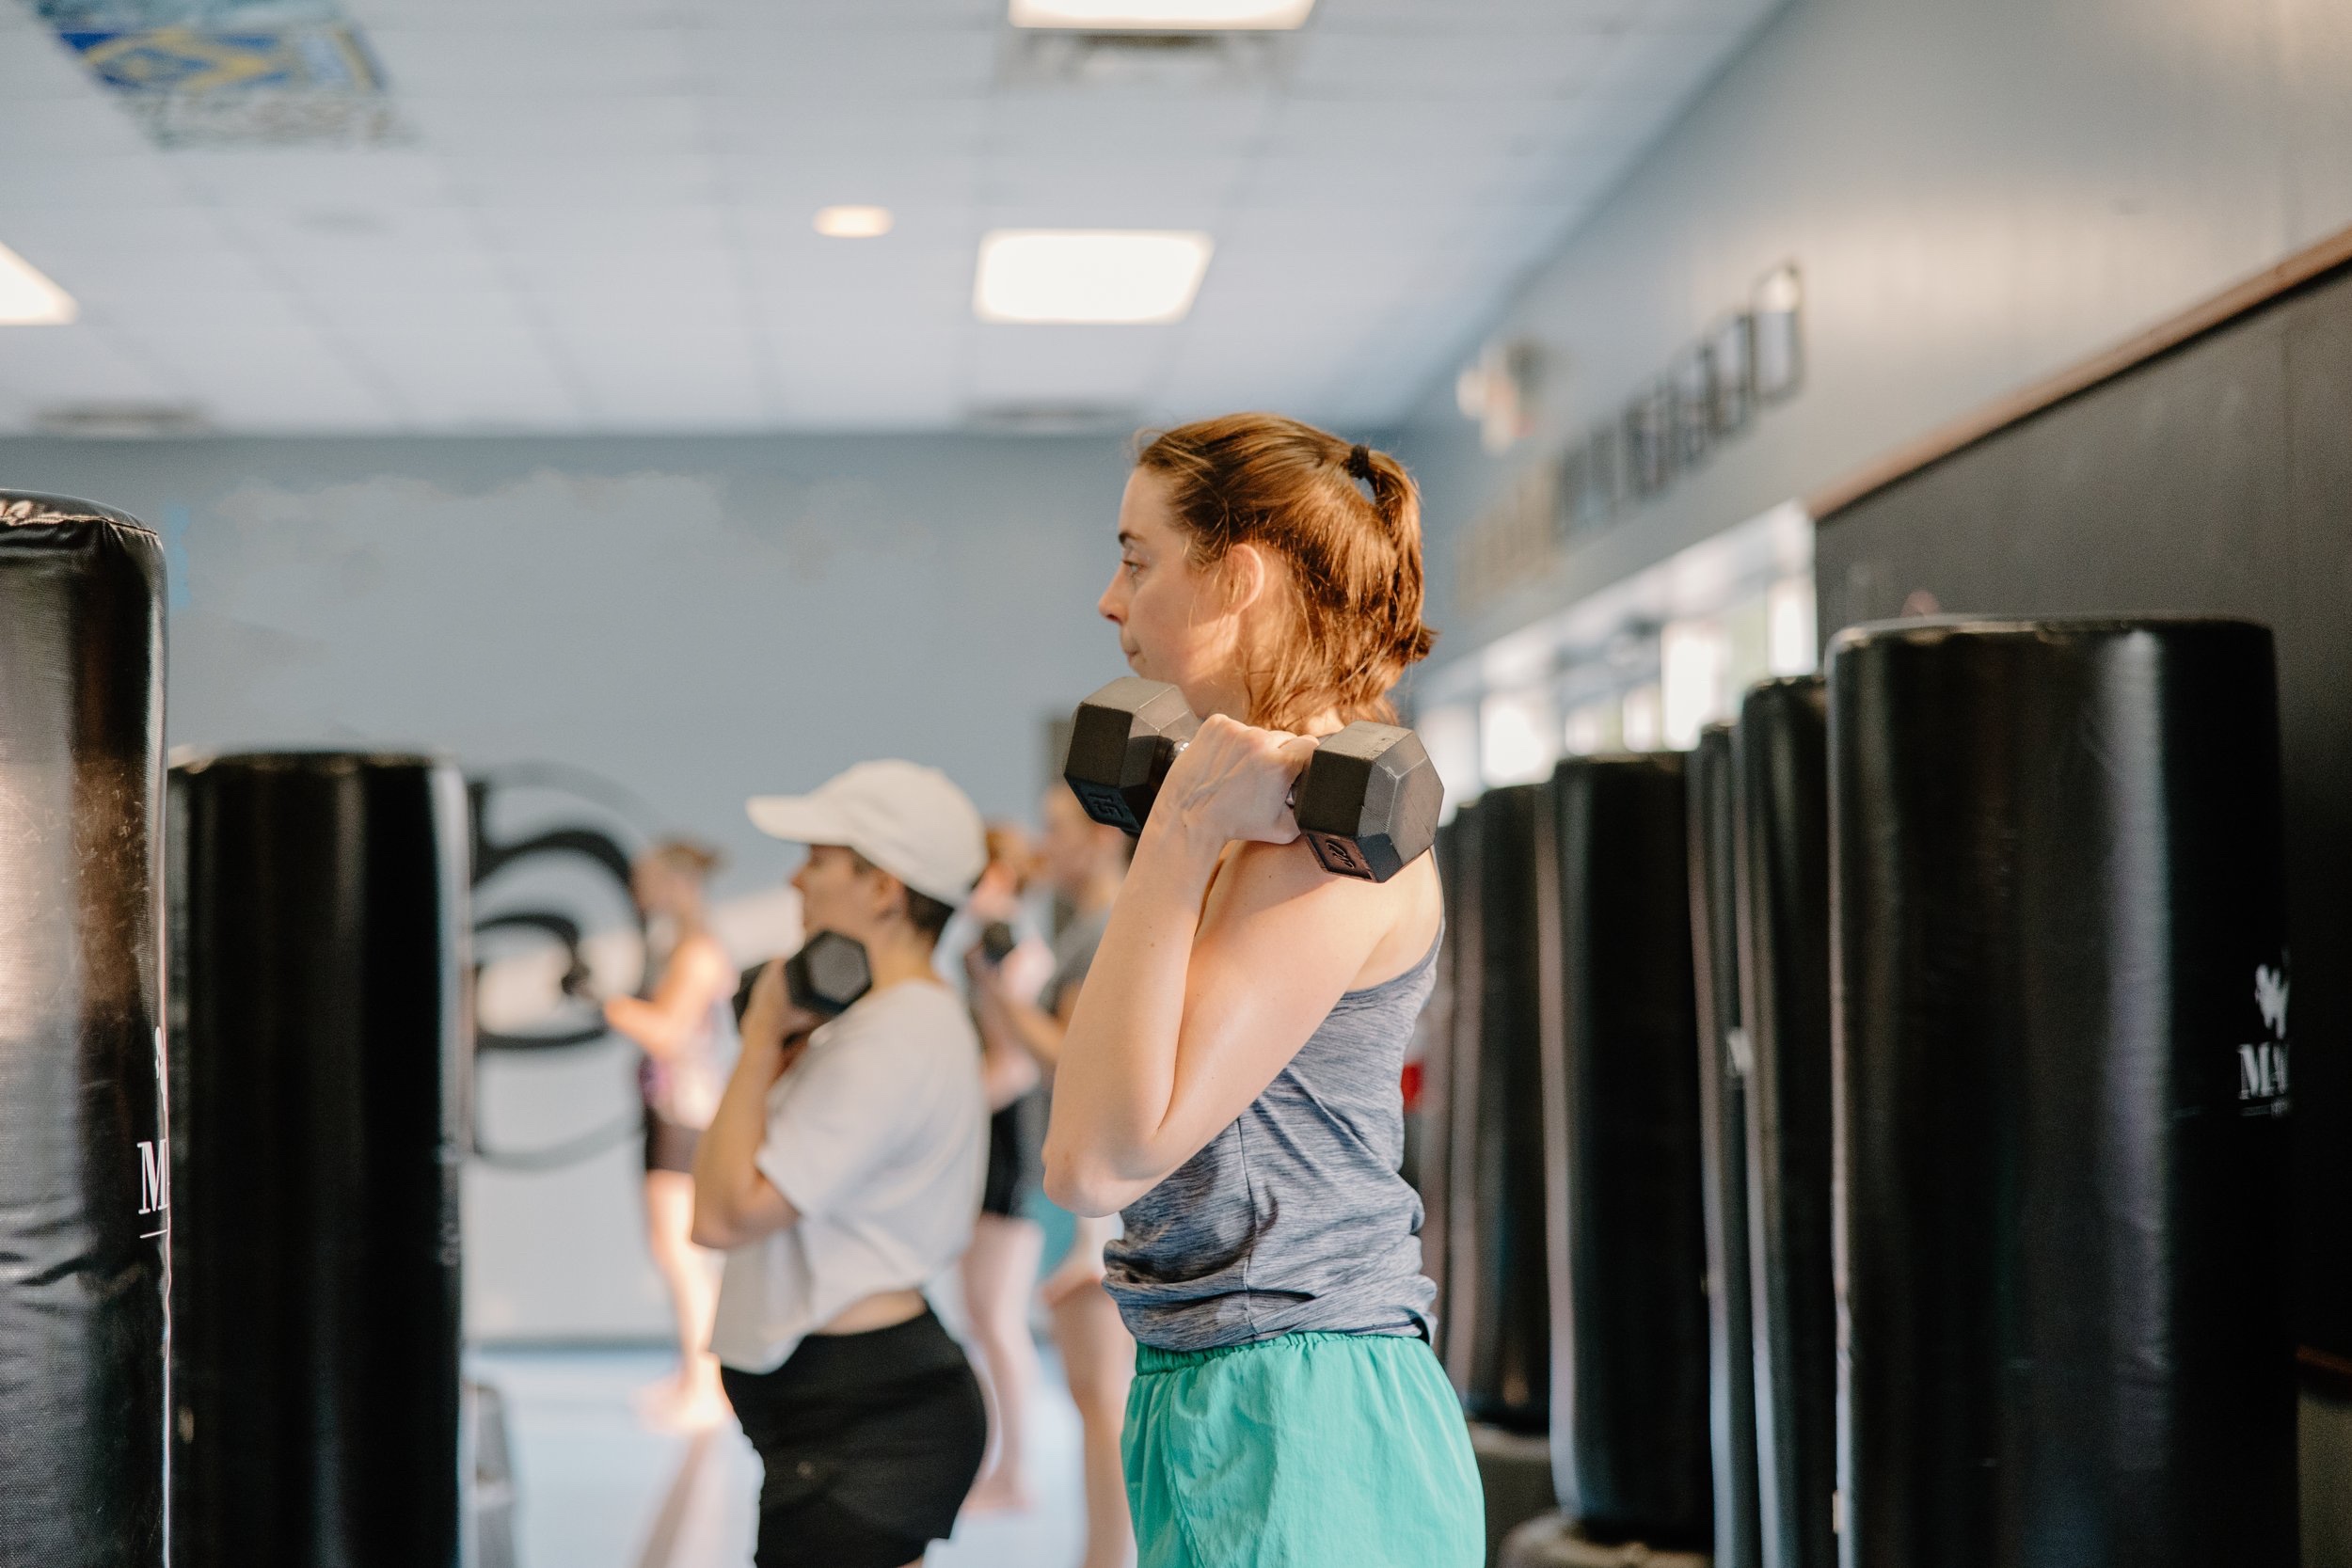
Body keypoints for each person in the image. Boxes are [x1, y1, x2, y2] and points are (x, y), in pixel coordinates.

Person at [1042, 416, 1483, 1568]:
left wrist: (1181, 826)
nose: (1108, 596)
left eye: (1137, 559)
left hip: (1302, 1395)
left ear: (1234, 575)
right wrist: (1185, 824)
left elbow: (1095, 1157)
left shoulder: (1324, 846)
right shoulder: (1245, 816)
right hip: (1210, 1368)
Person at [692, 759, 993, 1568]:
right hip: (841, 1414)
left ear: (883, 888)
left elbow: (721, 1214)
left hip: (867, 1421)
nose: (796, 879)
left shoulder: (896, 1035)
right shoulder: (876, 1025)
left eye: (818, 859)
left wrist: (758, 1038)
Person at [966, 784, 1139, 1568]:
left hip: (1100, 1207)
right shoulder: (1084, 930)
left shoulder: (1108, 928)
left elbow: (1070, 1057)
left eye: (1059, 829)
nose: (1046, 843)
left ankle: (1109, 1554)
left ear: (1103, 838)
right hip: (1078, 1193)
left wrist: (1000, 999)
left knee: (1102, 1398)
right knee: (1091, 1395)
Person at [603, 839, 739, 1430]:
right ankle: (694, 1373)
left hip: (689, 1113)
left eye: (650, 879)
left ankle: (708, 1382)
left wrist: (609, 1006)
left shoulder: (699, 954)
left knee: (681, 1252)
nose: (641, 891)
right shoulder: (681, 947)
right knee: (675, 1250)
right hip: (673, 1109)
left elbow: (668, 1033)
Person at [955, 823, 1054, 1515]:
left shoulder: (1017, 954)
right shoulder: (984, 952)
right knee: (982, 1313)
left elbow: (1015, 1064)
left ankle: (1017, 1469)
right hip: (988, 1144)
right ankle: (1002, 1462)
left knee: (996, 1314)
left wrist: (943, 1116)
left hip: (1012, 1146)